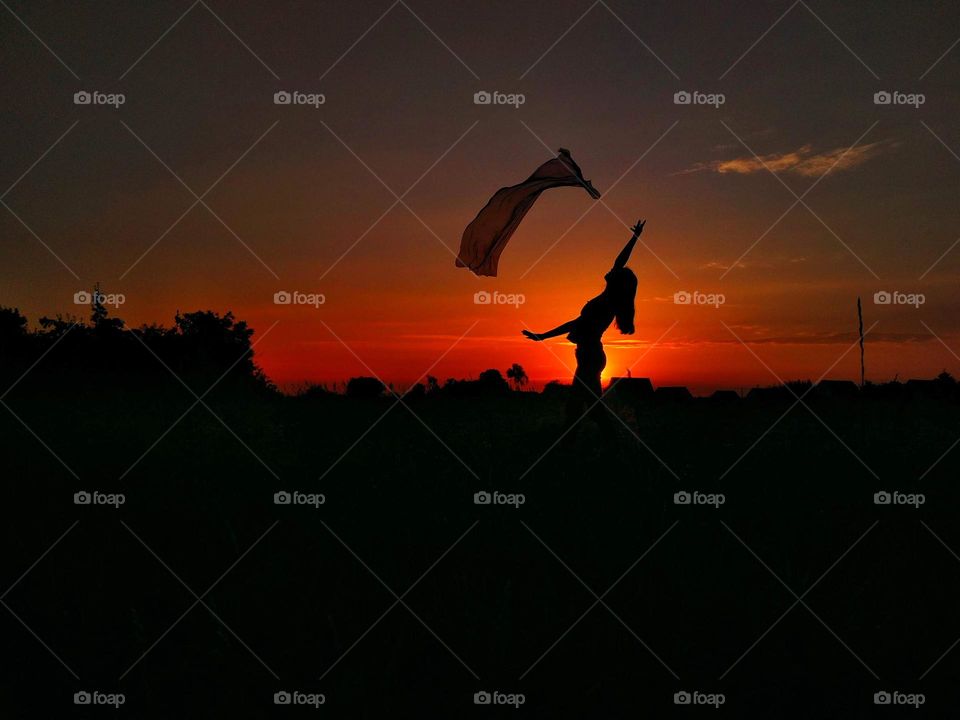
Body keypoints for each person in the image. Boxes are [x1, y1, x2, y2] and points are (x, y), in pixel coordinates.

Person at [522, 220, 643, 434]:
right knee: (583, 404)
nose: (613, 269)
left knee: (582, 405)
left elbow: (576, 323)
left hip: (591, 356)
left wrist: (544, 336)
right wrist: (635, 238)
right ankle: (593, 439)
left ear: (617, 283)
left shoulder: (608, 303)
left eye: (616, 272)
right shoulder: (607, 296)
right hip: (588, 354)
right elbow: (620, 261)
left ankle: (599, 440)